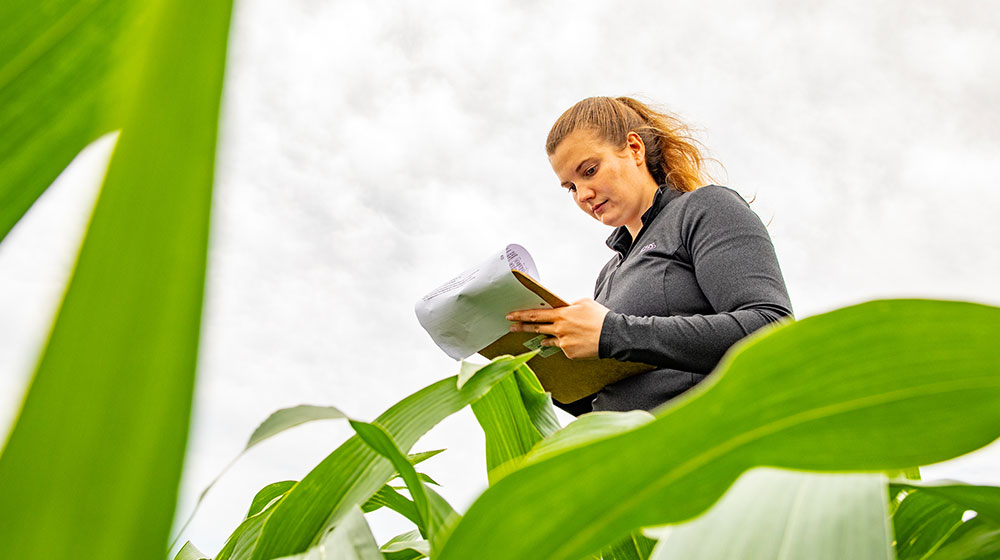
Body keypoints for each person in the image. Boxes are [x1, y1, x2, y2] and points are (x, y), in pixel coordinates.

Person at [505, 96, 794, 415]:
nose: (583, 194)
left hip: (702, 442)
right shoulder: (610, 273)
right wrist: (546, 374)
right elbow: (621, 391)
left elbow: (770, 326)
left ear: (634, 148)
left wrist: (611, 332)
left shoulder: (704, 210)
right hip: (628, 455)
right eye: (570, 187)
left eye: (589, 170)